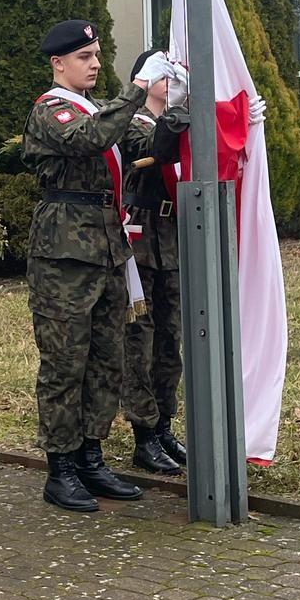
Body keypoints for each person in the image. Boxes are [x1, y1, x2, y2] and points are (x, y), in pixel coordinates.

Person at [22, 19, 175, 512]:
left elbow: (146, 146)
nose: (94, 64)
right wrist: (138, 88)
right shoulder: (52, 109)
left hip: (108, 247)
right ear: (58, 63)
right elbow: (90, 137)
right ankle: (61, 468)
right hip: (65, 253)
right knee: (66, 364)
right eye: (84, 57)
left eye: (96, 55)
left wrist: (186, 111)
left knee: (106, 359)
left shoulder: (100, 109)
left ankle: (91, 456)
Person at [120, 49, 189, 474]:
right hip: (140, 238)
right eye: (168, 76)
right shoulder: (132, 122)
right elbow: (153, 150)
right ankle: (143, 432)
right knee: (139, 339)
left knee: (170, 338)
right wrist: (180, 115)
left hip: (170, 239)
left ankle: (164, 424)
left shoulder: (173, 118)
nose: (174, 82)